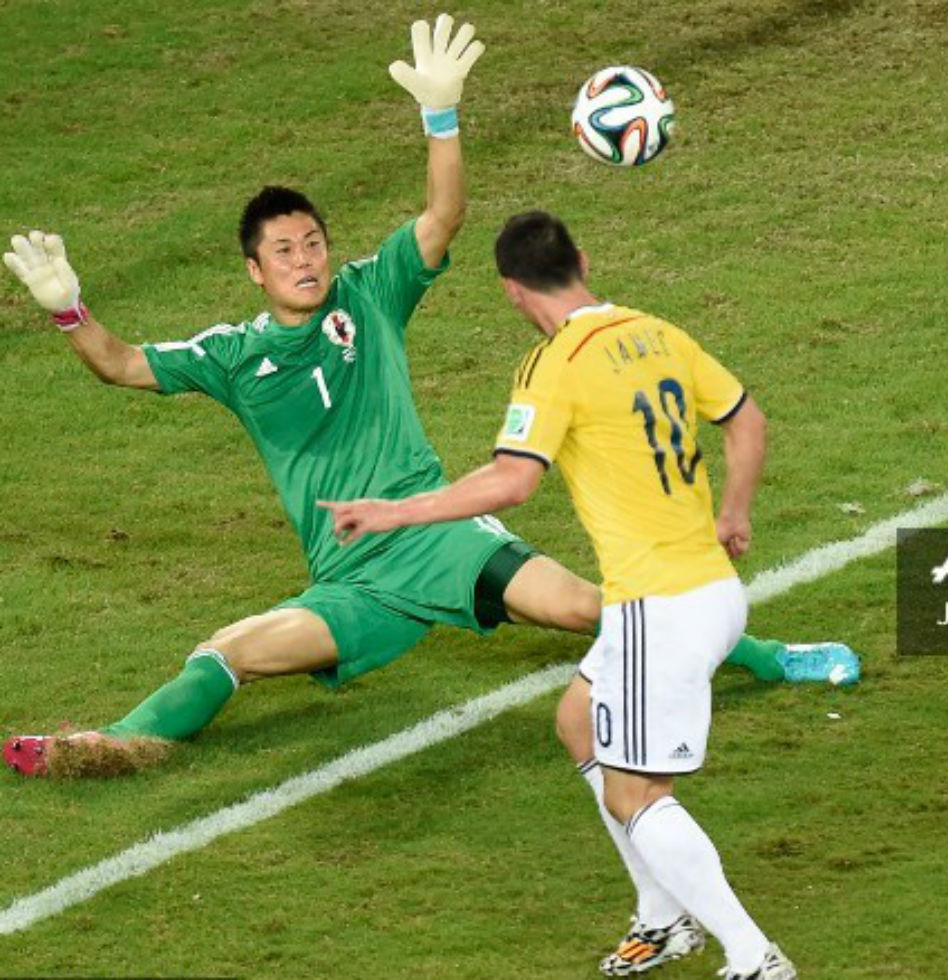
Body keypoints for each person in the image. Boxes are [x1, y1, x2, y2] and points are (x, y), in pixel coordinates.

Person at [1, 15, 857, 780]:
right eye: (285, 250)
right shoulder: (232, 355)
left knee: (591, 608)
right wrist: (70, 310)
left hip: (439, 537)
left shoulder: (369, 295)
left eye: (313, 242)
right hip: (348, 578)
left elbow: (443, 215)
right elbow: (119, 364)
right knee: (228, 654)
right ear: (255, 270)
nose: (306, 259)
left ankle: (776, 658)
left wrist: (439, 116)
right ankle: (107, 746)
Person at [320, 211, 798, 980]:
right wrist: (735, 510)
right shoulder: (657, 331)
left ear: (512, 292)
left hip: (658, 604)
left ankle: (753, 955)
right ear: (580, 257)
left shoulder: (554, 365)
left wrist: (394, 511)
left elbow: (513, 481)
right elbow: (748, 421)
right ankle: (662, 916)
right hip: (708, 587)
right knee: (578, 721)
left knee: (634, 793)